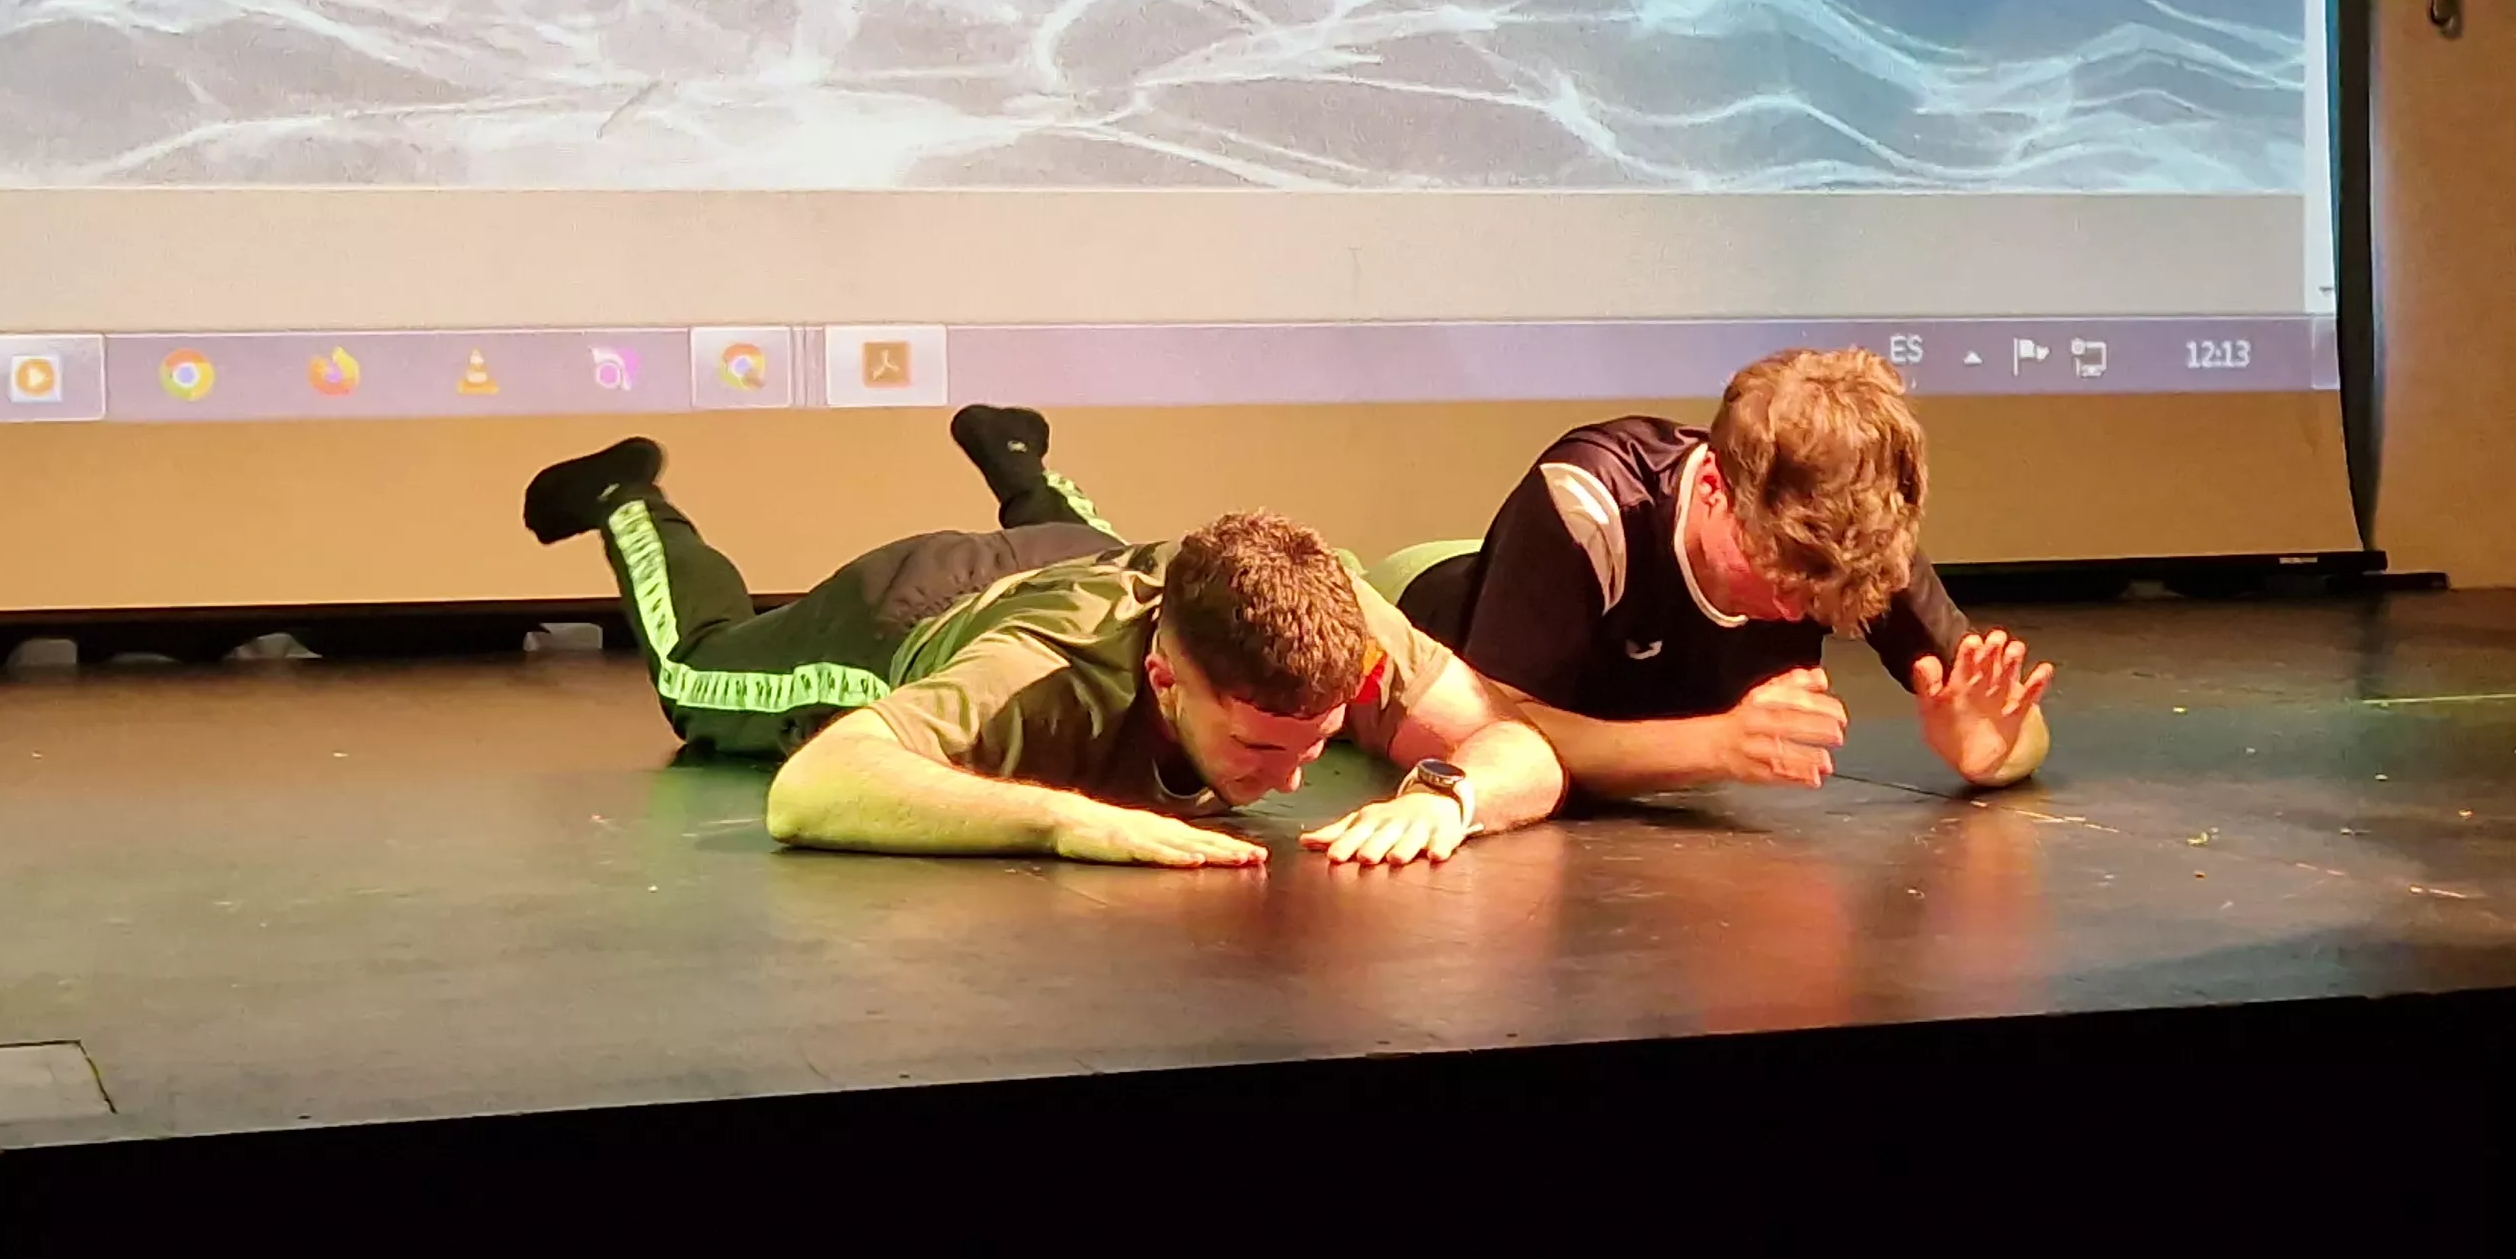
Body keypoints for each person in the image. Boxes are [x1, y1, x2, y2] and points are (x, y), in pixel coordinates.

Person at [524, 406, 1570, 870]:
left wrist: (1450, 794)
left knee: (1093, 544)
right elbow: (814, 790)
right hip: (915, 601)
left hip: (1089, 558)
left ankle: (1015, 448)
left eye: (1316, 740)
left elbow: (1521, 746)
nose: (1298, 780)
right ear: (1163, 676)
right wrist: (1070, 822)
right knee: (698, 670)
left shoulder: (1332, 606)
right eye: (1260, 747)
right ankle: (628, 495)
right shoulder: (1034, 682)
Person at [1379, 348, 2055, 800]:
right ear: (1711, 486)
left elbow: (2020, 731)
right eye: (1777, 577)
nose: (1796, 613)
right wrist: (1714, 744)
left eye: (1814, 594)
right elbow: (1494, 731)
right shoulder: (1588, 505)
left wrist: (1991, 751)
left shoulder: (1848, 546)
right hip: (1425, 600)